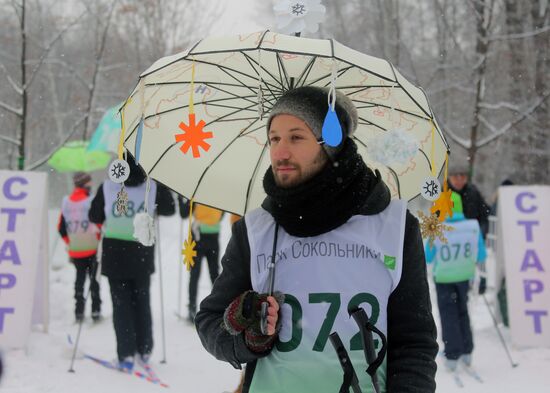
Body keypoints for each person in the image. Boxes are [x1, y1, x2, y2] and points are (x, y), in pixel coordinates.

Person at [196, 86, 438, 393]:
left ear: (331, 143)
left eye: (296, 137)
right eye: (274, 138)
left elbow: (414, 342)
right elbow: (210, 322)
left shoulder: (393, 226)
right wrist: (245, 337)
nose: (280, 152)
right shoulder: (256, 230)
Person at [89, 155, 175, 370]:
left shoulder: (108, 187)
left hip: (115, 253)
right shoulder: (152, 187)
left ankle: (125, 354)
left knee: (121, 306)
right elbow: (170, 209)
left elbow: (94, 216)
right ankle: (144, 349)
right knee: (142, 302)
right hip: (141, 253)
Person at [425, 192, 486, 371]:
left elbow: (428, 256)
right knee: (462, 311)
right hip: (464, 275)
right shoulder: (472, 226)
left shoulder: (437, 228)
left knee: (448, 315)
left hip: (444, 277)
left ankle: (452, 354)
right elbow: (481, 254)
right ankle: (467, 352)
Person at [58, 172, 101, 322]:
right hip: (92, 248)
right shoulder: (91, 201)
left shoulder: (66, 202)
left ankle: (79, 311)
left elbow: (61, 227)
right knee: (94, 280)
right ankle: (96, 310)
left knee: (79, 281)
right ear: (85, 185)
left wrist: (70, 242)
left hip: (76, 250)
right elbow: (99, 223)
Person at [178, 196, 223, 322]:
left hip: (197, 237)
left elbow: (183, 213)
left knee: (195, 274)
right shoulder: (219, 195)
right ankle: (218, 308)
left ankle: (192, 309)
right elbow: (222, 215)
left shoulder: (197, 193)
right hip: (213, 236)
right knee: (214, 274)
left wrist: (181, 199)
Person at [447, 160, 491, 239]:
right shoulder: (442, 193)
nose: (459, 180)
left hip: (471, 238)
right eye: (455, 177)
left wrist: (480, 236)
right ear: (449, 177)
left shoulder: (473, 192)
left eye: (462, 176)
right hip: (448, 240)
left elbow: (484, 215)